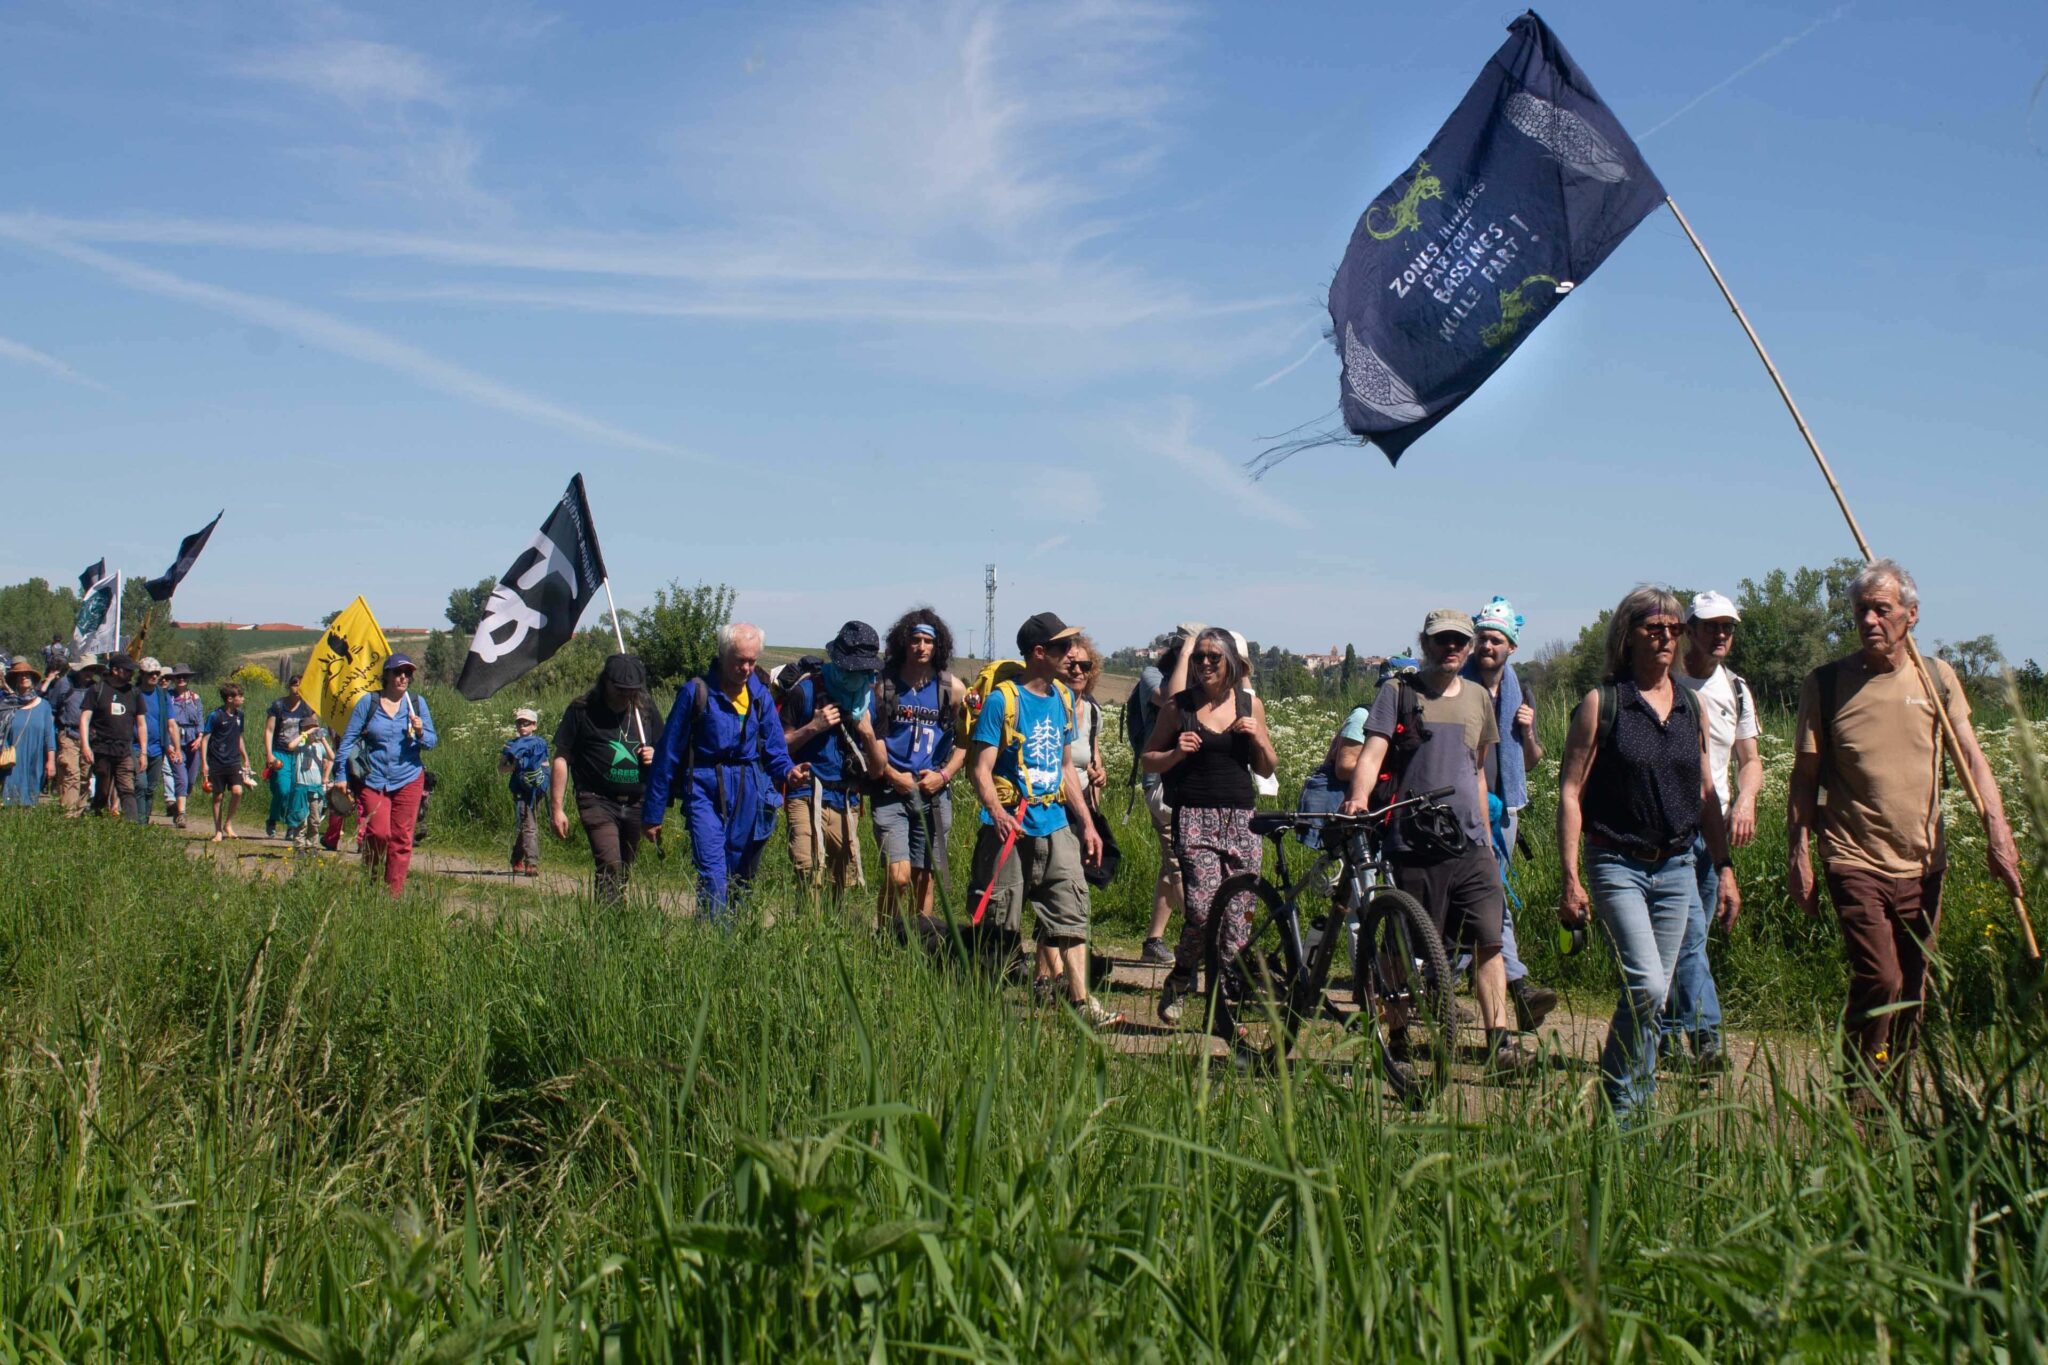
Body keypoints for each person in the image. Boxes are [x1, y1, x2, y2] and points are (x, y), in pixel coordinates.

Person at [1786, 559, 2021, 1108]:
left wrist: (1997, 828)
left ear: (1911, 616)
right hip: (1852, 856)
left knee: (1913, 991)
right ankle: (1857, 1098)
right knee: (1882, 979)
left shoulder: (1937, 679)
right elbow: (1804, 779)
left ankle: (1892, 1102)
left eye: (1882, 609)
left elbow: (1971, 755)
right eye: (1861, 610)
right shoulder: (1826, 684)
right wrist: (1798, 852)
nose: (1869, 620)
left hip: (1923, 862)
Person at [1556, 586, 1742, 1126]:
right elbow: (1570, 791)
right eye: (1653, 628)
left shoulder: (1691, 705)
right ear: (1628, 635)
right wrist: (1570, 878)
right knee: (1648, 984)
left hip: (1679, 865)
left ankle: (1629, 1115)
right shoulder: (1603, 703)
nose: (1666, 637)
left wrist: (1725, 868)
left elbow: (1707, 791)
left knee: (1651, 998)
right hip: (1617, 863)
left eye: (1674, 629)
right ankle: (1622, 1104)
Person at [1343, 610, 1534, 1081]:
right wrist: (1359, 800)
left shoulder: (1477, 699)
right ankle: (1399, 1036)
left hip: (1471, 844)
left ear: (1468, 647)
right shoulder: (1398, 692)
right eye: (1442, 640)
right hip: (1414, 840)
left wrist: (1488, 842)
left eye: (1459, 641)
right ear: (1425, 643)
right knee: (1402, 948)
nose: (1451, 647)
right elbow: (1372, 753)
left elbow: (1477, 769)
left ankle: (1499, 1044)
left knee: (1489, 941)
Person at [966, 612, 1119, 1028]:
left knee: (1071, 910)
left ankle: (1081, 1001)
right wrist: (995, 810)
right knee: (1000, 919)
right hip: (1010, 827)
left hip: (1055, 823)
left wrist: (1086, 821)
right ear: (1039, 652)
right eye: (1062, 647)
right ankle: (985, 1005)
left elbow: (1067, 766)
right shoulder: (1003, 701)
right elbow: (979, 768)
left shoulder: (1065, 700)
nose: (1072, 654)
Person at [1145, 628, 1278, 1031]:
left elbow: (1268, 767)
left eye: (1213, 658)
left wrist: (1256, 738)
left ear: (1232, 664)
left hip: (1241, 820)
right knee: (1202, 912)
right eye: (1199, 657)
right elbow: (1149, 759)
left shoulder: (1249, 705)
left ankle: (1222, 1006)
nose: (1204, 664)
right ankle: (1183, 975)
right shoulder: (1178, 707)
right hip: (1195, 816)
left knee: (1239, 918)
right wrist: (1174, 753)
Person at [1662, 590, 1762, 1072]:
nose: (1721, 635)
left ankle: (1671, 1035)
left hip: (1711, 828)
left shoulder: (1737, 689)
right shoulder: (1665, 681)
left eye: (1728, 626)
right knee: (1682, 935)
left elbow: (1751, 760)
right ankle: (1698, 1036)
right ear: (1690, 631)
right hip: (1663, 827)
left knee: (1688, 937)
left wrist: (1746, 799)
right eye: (1711, 626)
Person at [643, 625, 803, 920]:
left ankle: (731, 946)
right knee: (714, 874)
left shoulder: (760, 696)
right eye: (739, 660)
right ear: (722, 654)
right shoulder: (697, 692)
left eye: (752, 661)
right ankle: (711, 943)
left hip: (749, 791)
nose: (746, 668)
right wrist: (653, 813)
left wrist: (789, 772)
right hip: (703, 789)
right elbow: (668, 754)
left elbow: (775, 750)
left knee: (741, 876)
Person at [1461, 597, 1559, 1033]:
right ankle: (1516, 986)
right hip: (1463, 805)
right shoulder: (1457, 687)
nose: (1487, 645)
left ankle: (1454, 978)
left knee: (1488, 895)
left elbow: (1532, 759)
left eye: (1496, 640)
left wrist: (1526, 730)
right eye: (1482, 638)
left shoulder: (1521, 694)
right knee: (1485, 894)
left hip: (1506, 810)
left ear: (1511, 648)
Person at [871, 610, 966, 933]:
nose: (921, 647)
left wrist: (945, 775)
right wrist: (889, 774)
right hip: (891, 791)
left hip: (933, 793)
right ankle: (884, 935)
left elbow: (967, 741)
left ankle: (917, 940)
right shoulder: (883, 685)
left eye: (928, 640)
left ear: (938, 645)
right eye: (915, 640)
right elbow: (872, 737)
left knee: (925, 875)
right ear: (903, 642)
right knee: (897, 875)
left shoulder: (952, 689)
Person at [782, 621, 887, 902]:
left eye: (862, 670)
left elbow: (878, 769)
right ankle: (805, 934)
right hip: (806, 791)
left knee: (842, 878)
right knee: (807, 869)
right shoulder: (804, 692)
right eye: (850, 668)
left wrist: (866, 734)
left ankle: (832, 936)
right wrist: (812, 728)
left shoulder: (871, 703)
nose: (854, 675)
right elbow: (778, 747)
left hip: (846, 798)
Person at [552, 655, 664, 903]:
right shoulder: (581, 710)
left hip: (637, 801)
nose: (626, 696)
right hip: (597, 800)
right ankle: (607, 918)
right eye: (620, 690)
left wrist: (655, 754)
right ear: (606, 683)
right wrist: (557, 808)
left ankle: (614, 921)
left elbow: (666, 752)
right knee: (609, 861)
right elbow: (561, 757)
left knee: (624, 866)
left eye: (631, 691)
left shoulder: (645, 710)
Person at [336, 654, 437, 897]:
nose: (403, 677)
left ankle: (393, 893)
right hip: (373, 779)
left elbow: (432, 742)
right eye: (398, 672)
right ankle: (371, 882)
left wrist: (421, 731)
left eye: (408, 673)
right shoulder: (368, 703)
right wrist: (340, 774)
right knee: (379, 833)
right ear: (387, 675)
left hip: (409, 778)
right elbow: (348, 740)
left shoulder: (416, 703)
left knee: (402, 838)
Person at [1134, 623, 1203, 966]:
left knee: (1170, 863)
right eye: (1195, 651)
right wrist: (1187, 656)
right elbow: (1171, 701)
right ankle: (1203, 937)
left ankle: (1153, 941)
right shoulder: (1152, 675)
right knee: (1179, 864)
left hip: (1188, 783)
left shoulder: (1199, 683)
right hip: (1160, 782)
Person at [81, 652, 145, 818]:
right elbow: (85, 718)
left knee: (127, 789)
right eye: (128, 670)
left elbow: (141, 723)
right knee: (102, 788)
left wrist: (143, 752)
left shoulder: (134, 693)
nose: (131, 674)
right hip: (101, 748)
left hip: (124, 749)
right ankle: (96, 817)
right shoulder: (97, 690)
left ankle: (133, 828)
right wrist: (85, 746)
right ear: (115, 670)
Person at [262, 673, 317, 840]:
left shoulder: (307, 708)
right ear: (288, 686)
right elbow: (269, 730)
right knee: (283, 790)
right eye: (294, 684)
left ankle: (291, 826)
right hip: (280, 752)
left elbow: (314, 728)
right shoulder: (278, 705)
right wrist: (269, 754)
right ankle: (273, 819)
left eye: (301, 685)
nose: (297, 688)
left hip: (299, 754)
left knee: (296, 791)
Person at [500, 707, 550, 877]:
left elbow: (546, 765)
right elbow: (502, 768)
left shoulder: (540, 744)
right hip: (521, 790)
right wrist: (513, 765)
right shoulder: (511, 745)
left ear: (534, 725)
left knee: (527, 824)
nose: (522, 726)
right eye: (519, 723)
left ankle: (516, 858)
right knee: (530, 825)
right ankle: (532, 863)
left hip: (537, 789)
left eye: (526, 723)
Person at [132, 658, 182, 826]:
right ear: (142, 674)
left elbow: (171, 723)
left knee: (151, 788)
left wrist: (176, 748)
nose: (154, 677)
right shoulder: (134, 693)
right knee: (140, 784)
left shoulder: (162, 695)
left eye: (156, 674)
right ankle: (138, 823)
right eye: (150, 674)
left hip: (158, 748)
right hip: (135, 746)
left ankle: (144, 821)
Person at [2, 657, 57, 806]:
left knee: (31, 798)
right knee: (10, 798)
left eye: (27, 674)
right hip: (11, 759)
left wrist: (51, 761)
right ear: (15, 680)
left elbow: (49, 737)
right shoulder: (6, 706)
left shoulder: (44, 706)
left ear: (33, 679)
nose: (24, 677)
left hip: (36, 757)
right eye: (20, 675)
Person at [199, 681, 250, 842]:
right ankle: (218, 830)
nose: (242, 699)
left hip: (233, 760)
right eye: (239, 696)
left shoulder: (239, 715)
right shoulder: (215, 716)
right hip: (216, 761)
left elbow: (239, 737)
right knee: (218, 796)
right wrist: (204, 763)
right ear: (229, 699)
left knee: (237, 791)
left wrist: (245, 757)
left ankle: (228, 823)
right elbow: (205, 740)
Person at [46, 649, 94, 816]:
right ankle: (68, 815)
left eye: (92, 670)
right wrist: (50, 739)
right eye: (87, 669)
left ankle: (79, 813)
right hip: (68, 734)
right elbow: (52, 709)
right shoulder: (64, 684)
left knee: (85, 775)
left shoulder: (94, 688)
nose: (89, 673)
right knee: (71, 773)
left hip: (88, 738)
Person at [166, 664, 204, 830]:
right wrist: (169, 745)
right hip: (175, 742)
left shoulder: (195, 698)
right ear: (173, 679)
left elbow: (200, 719)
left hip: (193, 742)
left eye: (185, 677)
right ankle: (182, 814)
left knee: (190, 779)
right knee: (181, 776)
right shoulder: (168, 697)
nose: (181, 679)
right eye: (178, 677)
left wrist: (200, 737)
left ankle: (178, 805)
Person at [290, 724, 334, 848]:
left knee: (314, 820)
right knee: (301, 819)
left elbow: (332, 757)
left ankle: (312, 845)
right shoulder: (300, 746)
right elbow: (290, 746)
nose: (313, 732)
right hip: (302, 788)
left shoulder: (319, 747)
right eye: (310, 729)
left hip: (315, 788)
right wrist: (305, 734)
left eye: (315, 729)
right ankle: (299, 845)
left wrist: (323, 739)